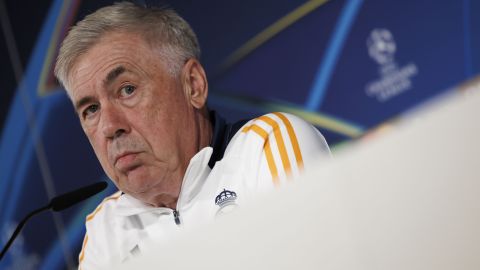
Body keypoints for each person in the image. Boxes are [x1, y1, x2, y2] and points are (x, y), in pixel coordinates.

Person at [54, 2, 331, 269]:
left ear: (193, 86)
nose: (109, 127)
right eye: (91, 109)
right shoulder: (106, 231)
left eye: (127, 89)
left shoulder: (266, 147)